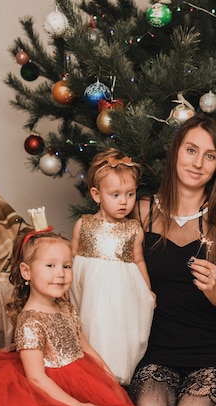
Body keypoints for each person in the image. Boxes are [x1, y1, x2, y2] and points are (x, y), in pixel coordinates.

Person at [0, 223, 152, 406]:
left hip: (84, 379)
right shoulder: (30, 322)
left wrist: (111, 382)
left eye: (67, 266)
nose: (60, 274)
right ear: (27, 272)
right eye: (50, 265)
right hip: (50, 390)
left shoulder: (66, 308)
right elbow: (36, 378)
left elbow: (86, 348)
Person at [128, 114, 216, 406]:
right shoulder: (141, 211)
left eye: (210, 156)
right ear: (176, 151)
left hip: (212, 351)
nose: (198, 163)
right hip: (155, 350)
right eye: (191, 150)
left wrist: (213, 287)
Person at [69, 148, 155, 386]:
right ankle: (90, 376)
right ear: (97, 195)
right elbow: (72, 256)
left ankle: (113, 377)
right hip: (89, 294)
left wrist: (147, 292)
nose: (124, 202)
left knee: (115, 334)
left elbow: (138, 261)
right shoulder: (83, 224)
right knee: (89, 329)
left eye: (130, 194)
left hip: (120, 299)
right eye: (115, 195)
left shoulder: (134, 228)